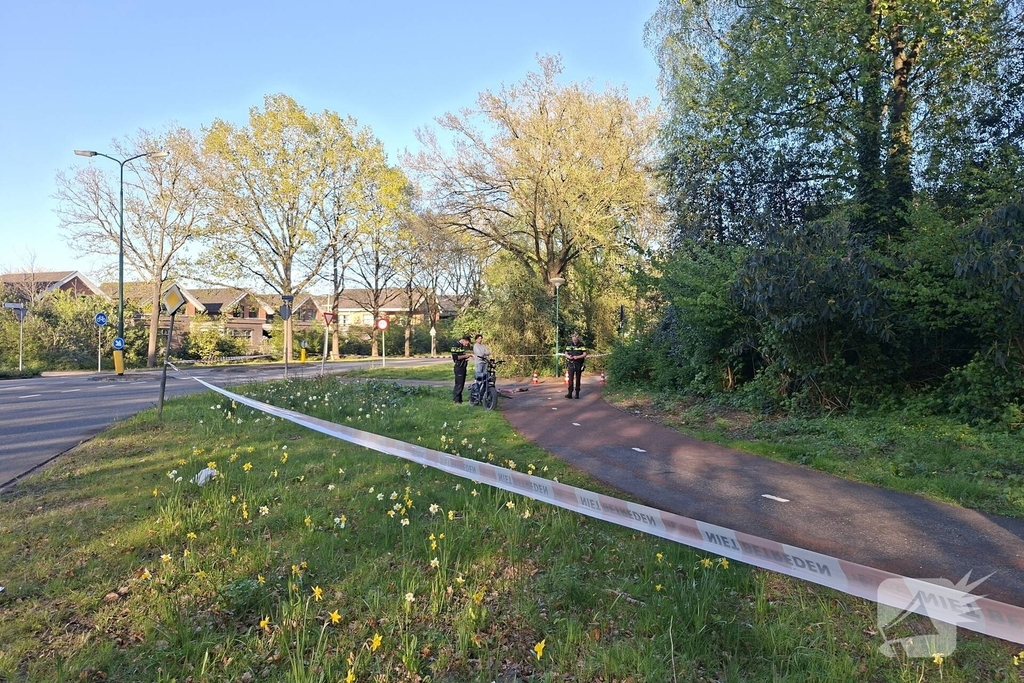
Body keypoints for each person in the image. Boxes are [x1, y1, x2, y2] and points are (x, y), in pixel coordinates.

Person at [564, 333, 588, 399]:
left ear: (578, 339)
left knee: (578, 378)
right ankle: (570, 393)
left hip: (578, 363)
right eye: (573, 340)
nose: (574, 341)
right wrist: (569, 356)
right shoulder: (569, 344)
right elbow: (566, 353)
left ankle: (577, 394)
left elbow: (585, 354)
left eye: (576, 340)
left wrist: (577, 357)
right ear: (572, 339)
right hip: (571, 363)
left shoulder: (581, 345)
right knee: (570, 379)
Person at [450, 336, 473, 403]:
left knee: (462, 384)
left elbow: (461, 355)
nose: (467, 345)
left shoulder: (461, 346)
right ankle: (456, 400)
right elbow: (456, 357)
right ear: (464, 340)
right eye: (467, 343)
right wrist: (465, 356)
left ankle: (460, 400)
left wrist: (466, 357)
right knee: (459, 384)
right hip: (459, 367)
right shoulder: (455, 346)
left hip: (463, 366)